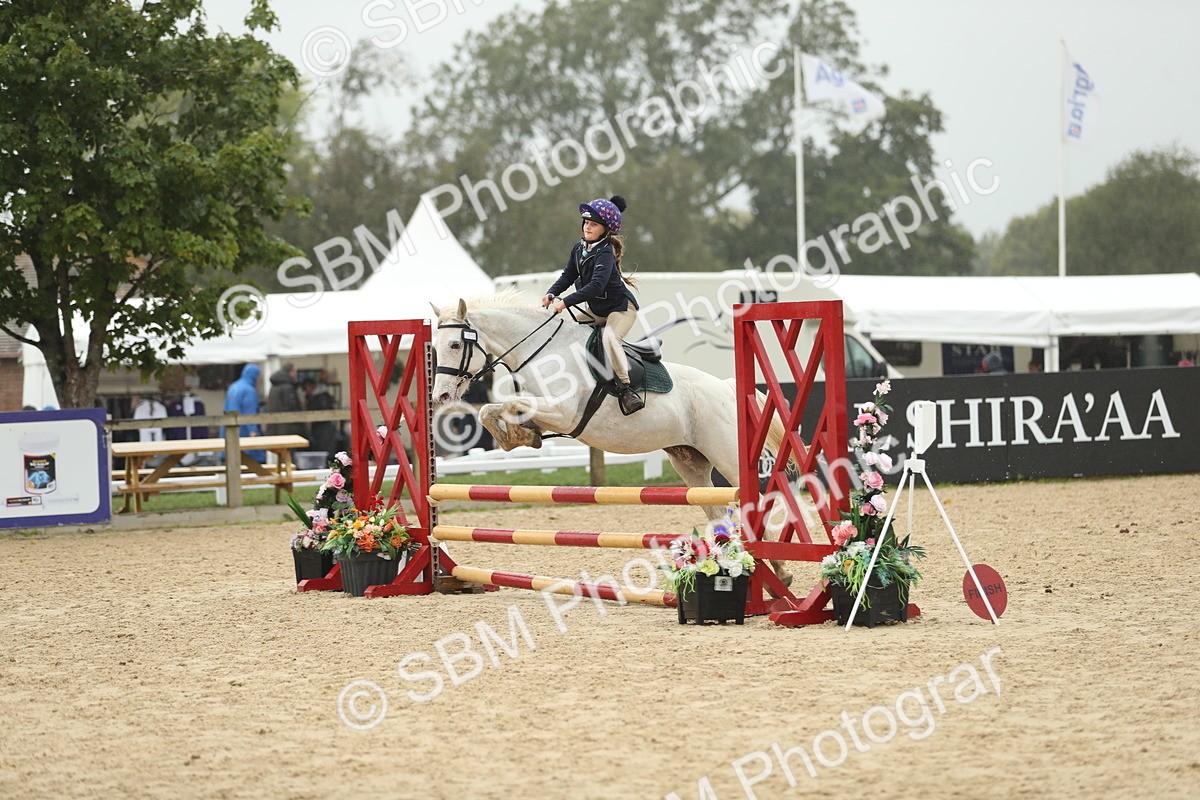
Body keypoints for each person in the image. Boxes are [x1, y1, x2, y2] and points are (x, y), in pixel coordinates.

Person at [542, 194, 644, 415]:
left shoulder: (605, 253)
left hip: (621, 309)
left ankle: (626, 389)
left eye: (594, 224)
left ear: (606, 230)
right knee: (565, 332)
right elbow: (568, 275)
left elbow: (597, 287)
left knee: (609, 337)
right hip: (598, 311)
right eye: (586, 222)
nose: (587, 227)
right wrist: (552, 292)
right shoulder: (578, 249)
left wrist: (566, 302)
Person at [224, 363, 264, 462]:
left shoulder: (234, 387)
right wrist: (253, 432)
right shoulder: (249, 391)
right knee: (250, 463)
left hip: (229, 431)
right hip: (243, 432)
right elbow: (249, 413)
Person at [300, 377, 338, 456]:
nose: (305, 392)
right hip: (320, 427)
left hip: (323, 428)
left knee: (324, 449)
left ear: (311, 386)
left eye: (306, 389)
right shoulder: (322, 396)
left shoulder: (320, 398)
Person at [266, 362, 306, 437]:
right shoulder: (288, 387)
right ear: (291, 372)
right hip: (287, 428)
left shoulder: (274, 387)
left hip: (274, 427)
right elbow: (291, 406)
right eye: (294, 372)